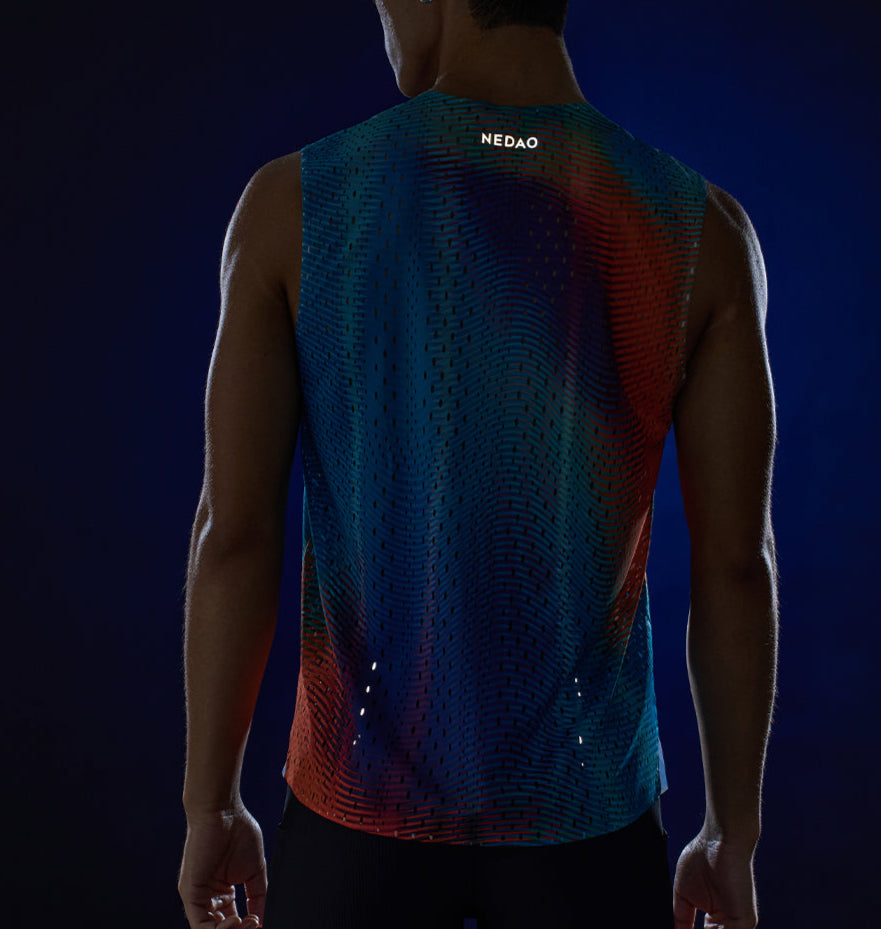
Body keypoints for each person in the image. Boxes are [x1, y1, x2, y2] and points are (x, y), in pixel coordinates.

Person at [177, 0, 779, 927]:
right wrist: (731, 837)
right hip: (586, 821)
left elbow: (234, 535)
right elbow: (737, 566)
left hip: (354, 815)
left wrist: (210, 805)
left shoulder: (293, 204)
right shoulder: (701, 229)